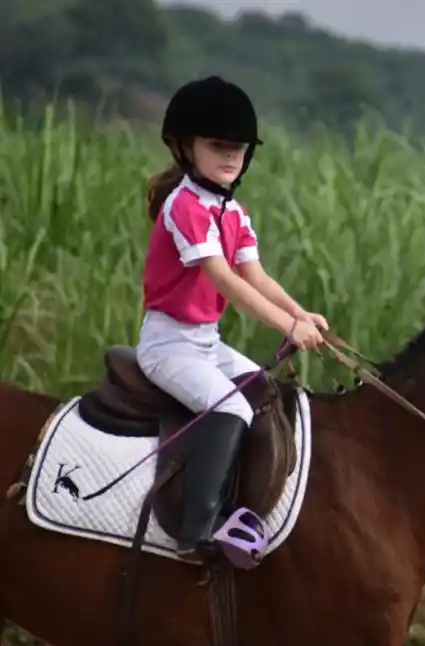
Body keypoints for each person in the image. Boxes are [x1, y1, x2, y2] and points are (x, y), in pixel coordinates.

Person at [136, 75, 327, 563]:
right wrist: (287, 328)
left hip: (206, 341)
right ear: (184, 147)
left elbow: (256, 276)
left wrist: (300, 312)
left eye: (237, 149)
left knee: (264, 397)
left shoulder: (232, 212)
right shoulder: (185, 207)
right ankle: (195, 530)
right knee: (231, 409)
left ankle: (247, 510)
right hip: (168, 345)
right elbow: (225, 281)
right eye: (217, 146)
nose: (229, 157)